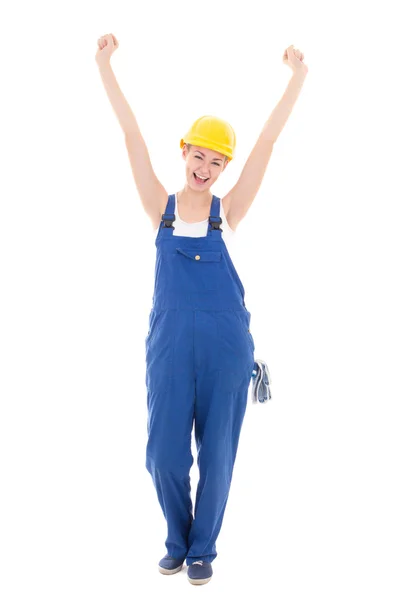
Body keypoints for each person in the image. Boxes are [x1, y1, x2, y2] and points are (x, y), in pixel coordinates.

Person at [96, 34, 308, 586]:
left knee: (217, 458)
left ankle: (201, 551)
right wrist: (105, 65)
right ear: (184, 150)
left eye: (217, 161)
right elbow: (130, 134)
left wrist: (296, 79)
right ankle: (179, 536)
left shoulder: (228, 213)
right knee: (164, 455)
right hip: (168, 350)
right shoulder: (158, 209)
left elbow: (266, 142)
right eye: (199, 155)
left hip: (225, 351)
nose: (206, 167)